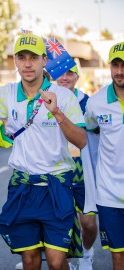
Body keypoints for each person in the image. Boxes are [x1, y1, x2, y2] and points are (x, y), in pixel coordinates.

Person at [0, 33, 87, 270]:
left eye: (33, 58)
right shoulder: (6, 94)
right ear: (15, 61)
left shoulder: (65, 97)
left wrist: (58, 113)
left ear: (44, 60)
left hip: (57, 186)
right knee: (29, 259)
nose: (27, 64)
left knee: (57, 262)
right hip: (23, 187)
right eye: (21, 57)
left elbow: (81, 141)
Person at [84, 41, 124, 270]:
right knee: (118, 256)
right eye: (115, 65)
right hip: (110, 195)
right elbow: (88, 131)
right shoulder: (96, 103)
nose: (120, 71)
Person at [56, 65, 98, 270]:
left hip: (83, 173)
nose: (65, 78)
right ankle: (62, 263)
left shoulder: (88, 103)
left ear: (77, 77)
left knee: (89, 224)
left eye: (70, 73)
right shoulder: (44, 99)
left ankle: (87, 253)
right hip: (56, 172)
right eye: (61, 73)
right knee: (57, 226)